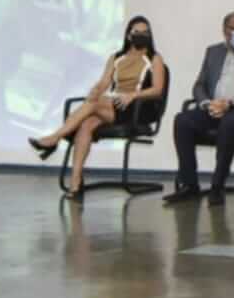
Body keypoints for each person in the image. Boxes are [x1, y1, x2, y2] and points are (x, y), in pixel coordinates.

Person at [27, 16, 167, 201]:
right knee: (86, 124)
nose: (141, 35)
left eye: (145, 32)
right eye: (137, 32)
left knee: (93, 104)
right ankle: (76, 182)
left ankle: (55, 138)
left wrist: (132, 95)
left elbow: (157, 90)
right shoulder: (116, 58)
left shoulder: (154, 59)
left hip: (136, 108)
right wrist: (96, 90)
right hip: (114, 104)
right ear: (128, 35)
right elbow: (104, 82)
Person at [164, 11, 234, 206]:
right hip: (214, 107)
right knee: (182, 121)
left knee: (229, 121)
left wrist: (232, 102)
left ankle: (217, 187)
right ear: (225, 32)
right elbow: (199, 85)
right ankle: (190, 186)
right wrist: (207, 103)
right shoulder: (213, 52)